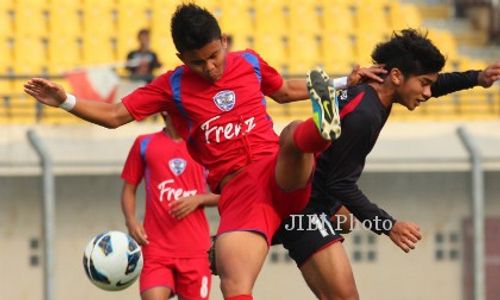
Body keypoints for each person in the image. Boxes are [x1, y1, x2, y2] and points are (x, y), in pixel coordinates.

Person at [23, 4, 385, 299]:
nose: (210, 68)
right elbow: (117, 115)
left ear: (224, 41)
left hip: (278, 172)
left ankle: (321, 130)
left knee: (291, 137)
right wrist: (65, 101)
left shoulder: (250, 62)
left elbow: (285, 91)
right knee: (234, 286)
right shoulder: (172, 86)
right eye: (198, 62)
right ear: (182, 57)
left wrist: (343, 82)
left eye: (215, 55)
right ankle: (318, 131)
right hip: (240, 192)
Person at [274, 29, 500, 299]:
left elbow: (433, 84)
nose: (428, 93)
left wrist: (476, 78)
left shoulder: (376, 86)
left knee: (345, 221)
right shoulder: (365, 115)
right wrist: (388, 225)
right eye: (424, 83)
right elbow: (340, 183)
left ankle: (244, 240)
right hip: (308, 202)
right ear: (395, 76)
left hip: (317, 189)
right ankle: (235, 246)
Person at [121, 111, 219, 300]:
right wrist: (131, 221)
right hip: (156, 248)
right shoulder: (144, 143)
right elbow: (128, 189)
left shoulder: (204, 146)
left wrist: (200, 199)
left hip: (195, 250)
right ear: (165, 110)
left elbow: (228, 193)